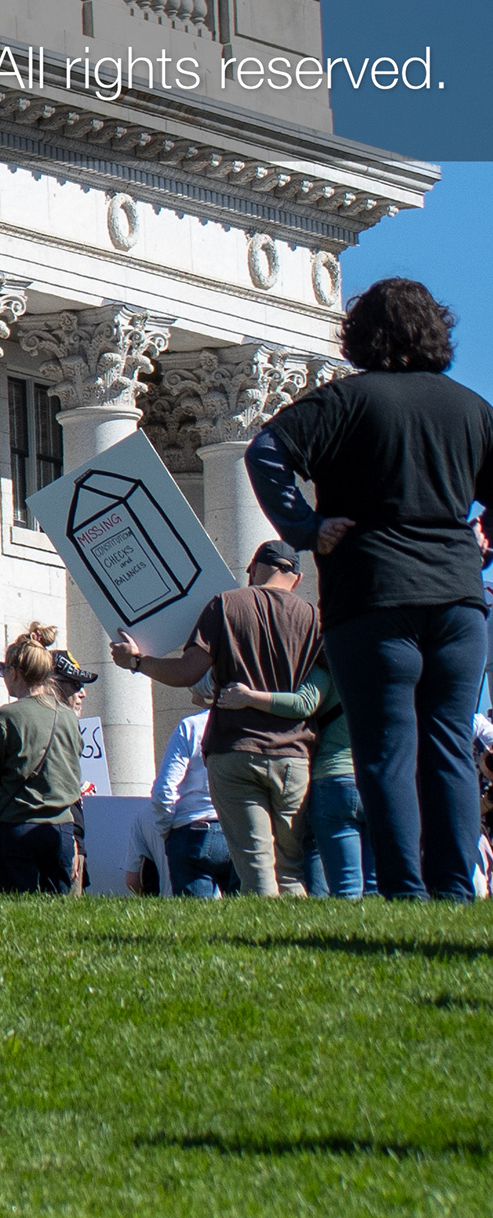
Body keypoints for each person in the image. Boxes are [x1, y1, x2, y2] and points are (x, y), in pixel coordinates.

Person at [244, 277, 491, 901]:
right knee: (450, 747)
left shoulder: (346, 401)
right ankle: (457, 891)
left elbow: (266, 449)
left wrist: (305, 527)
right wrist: (483, 540)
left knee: (385, 751)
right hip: (460, 601)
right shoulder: (470, 408)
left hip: (374, 592)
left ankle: (405, 890)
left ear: (360, 334)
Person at [114, 537, 321, 897]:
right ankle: (295, 942)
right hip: (294, 756)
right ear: (297, 579)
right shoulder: (313, 618)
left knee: (255, 868)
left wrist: (136, 661)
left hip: (235, 751)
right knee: (291, 868)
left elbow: (186, 673)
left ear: (254, 569)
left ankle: (264, 945)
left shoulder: (226, 605)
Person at [0, 624, 85, 894]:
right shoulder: (67, 717)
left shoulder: (5, 718)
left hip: (13, 828)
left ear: (15, 672)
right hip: (61, 830)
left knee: (11, 919)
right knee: (58, 918)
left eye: (3, 669)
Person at [154, 685, 227, 897]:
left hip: (191, 830)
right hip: (236, 829)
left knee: (196, 924)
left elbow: (164, 788)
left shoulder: (190, 726)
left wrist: (167, 829)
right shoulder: (246, 725)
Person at [301, 692, 364, 898]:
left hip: (332, 778)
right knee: (375, 886)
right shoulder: (380, 675)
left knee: (346, 886)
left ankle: (344, 928)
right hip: (373, 781)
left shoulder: (324, 675)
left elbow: (301, 705)